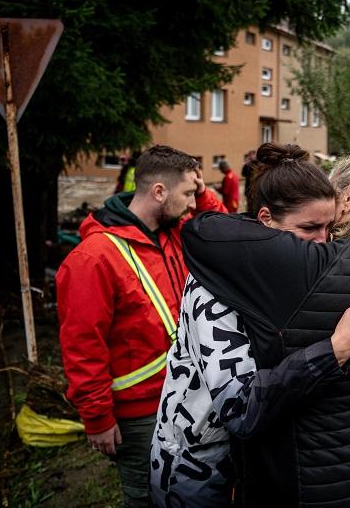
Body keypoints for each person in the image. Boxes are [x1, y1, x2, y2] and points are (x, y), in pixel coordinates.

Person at [149, 142, 350, 506]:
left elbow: (203, 232)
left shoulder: (307, 268)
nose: (322, 239)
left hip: (319, 480)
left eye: (327, 224)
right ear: (265, 223)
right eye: (310, 226)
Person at [56, 145, 227, 507]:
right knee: (146, 495)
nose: (191, 203)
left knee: (182, 486)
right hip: (138, 413)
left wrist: (203, 191)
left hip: (183, 392)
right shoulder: (93, 258)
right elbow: (83, 346)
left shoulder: (173, 233)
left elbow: (222, 235)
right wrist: (98, 418)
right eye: (186, 194)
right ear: (159, 192)